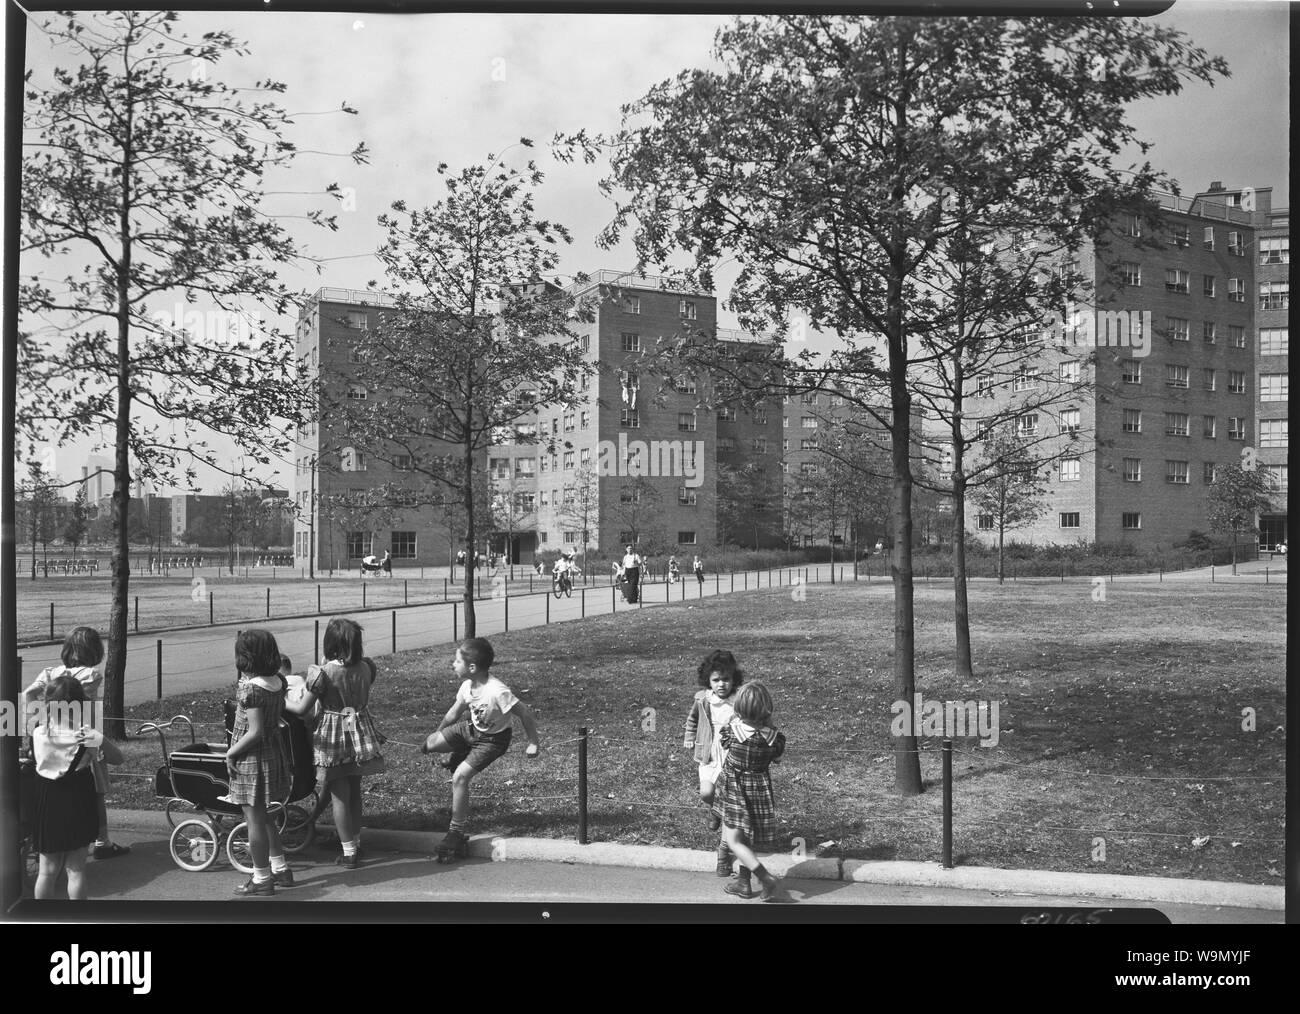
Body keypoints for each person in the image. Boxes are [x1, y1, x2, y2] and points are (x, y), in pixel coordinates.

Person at [420, 637, 540, 862]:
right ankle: (460, 753)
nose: (453, 664)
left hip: (493, 740)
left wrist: (533, 742)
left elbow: (524, 713)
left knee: (460, 778)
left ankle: (455, 831)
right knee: (431, 745)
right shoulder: (467, 685)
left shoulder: (497, 690)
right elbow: (454, 713)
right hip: (471, 730)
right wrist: (436, 734)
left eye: (457, 661)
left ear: (472, 667)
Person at [286, 618, 386, 869]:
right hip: (358, 730)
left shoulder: (323, 673)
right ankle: (356, 840)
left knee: (338, 794)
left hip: (333, 735)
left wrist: (279, 700)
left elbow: (302, 708)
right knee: (354, 793)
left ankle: (349, 851)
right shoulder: (366, 667)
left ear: (329, 643)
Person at [24, 626, 128, 860]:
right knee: (97, 791)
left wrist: (36, 719)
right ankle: (102, 840)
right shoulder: (91, 675)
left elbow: (28, 693)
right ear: (94, 649)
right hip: (84, 738)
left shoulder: (49, 673)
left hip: (53, 736)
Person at [31, 675, 124, 899]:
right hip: (77, 798)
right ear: (80, 703)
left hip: (46, 798)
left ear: (48, 702)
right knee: (76, 869)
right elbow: (117, 758)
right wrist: (97, 741)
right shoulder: (86, 734)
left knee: (46, 871)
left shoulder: (38, 731)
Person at [225, 628, 295, 896]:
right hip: (273, 754)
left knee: (254, 820)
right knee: (266, 819)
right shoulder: (278, 681)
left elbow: (254, 732)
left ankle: (262, 878)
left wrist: (231, 753)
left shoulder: (251, 690)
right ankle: (280, 869)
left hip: (252, 759)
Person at [712, 682, 787, 901]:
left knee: (735, 841)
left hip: (736, 791)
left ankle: (765, 878)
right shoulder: (774, 739)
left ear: (739, 709)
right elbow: (778, 758)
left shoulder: (731, 733)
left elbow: (723, 743)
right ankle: (743, 883)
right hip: (759, 792)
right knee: (746, 838)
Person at [683, 650, 743, 877]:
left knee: (729, 802)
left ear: (733, 679)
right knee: (706, 792)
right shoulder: (702, 699)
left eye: (726, 679)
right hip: (709, 754)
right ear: (708, 680)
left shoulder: (738, 700)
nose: (721, 685)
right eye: (716, 680)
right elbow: (693, 720)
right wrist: (690, 738)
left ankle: (724, 853)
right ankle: (714, 811)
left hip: (730, 756)